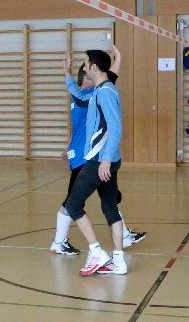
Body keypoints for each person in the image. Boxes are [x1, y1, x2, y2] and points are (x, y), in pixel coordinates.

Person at [51, 47, 145, 255]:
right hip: (86, 159)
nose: (87, 69)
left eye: (87, 64)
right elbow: (109, 79)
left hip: (94, 156)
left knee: (109, 201)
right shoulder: (90, 96)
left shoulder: (91, 94)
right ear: (85, 79)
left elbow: (108, 77)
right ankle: (62, 242)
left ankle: (121, 241)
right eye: (86, 69)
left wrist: (118, 58)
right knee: (73, 203)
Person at [61, 50, 126, 275]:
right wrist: (67, 74)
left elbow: (115, 127)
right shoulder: (102, 89)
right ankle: (118, 261)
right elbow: (79, 95)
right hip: (107, 159)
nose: (85, 66)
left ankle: (97, 253)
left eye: (87, 63)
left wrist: (105, 159)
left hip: (99, 160)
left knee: (73, 205)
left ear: (95, 67)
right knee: (110, 208)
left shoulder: (105, 92)